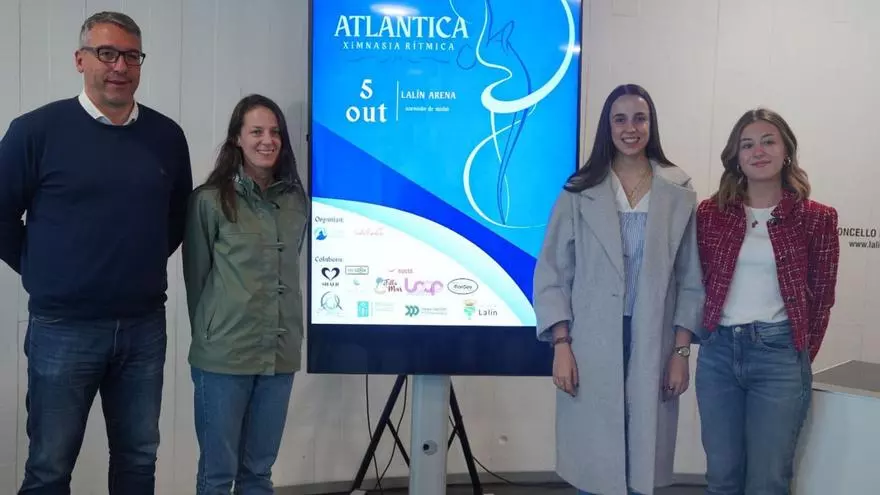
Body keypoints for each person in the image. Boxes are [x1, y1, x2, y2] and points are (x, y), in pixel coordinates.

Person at [0, 10, 192, 494]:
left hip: (143, 327)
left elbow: (176, 219)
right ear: (80, 59)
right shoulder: (35, 132)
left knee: (138, 460)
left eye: (131, 56)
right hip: (62, 328)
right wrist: (42, 270)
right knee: (49, 466)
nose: (119, 66)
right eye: (106, 53)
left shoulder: (167, 137)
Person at [533, 83, 705, 495]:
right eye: (620, 119)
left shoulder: (677, 189)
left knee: (641, 460)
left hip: (654, 337)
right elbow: (553, 270)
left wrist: (681, 353)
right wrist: (561, 345)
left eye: (639, 118)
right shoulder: (580, 190)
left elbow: (691, 279)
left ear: (651, 124)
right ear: (607, 127)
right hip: (590, 339)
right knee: (595, 461)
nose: (631, 128)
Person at [695, 108, 839, 494]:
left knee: (768, 480)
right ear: (736, 156)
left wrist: (797, 351)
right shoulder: (711, 213)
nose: (758, 151)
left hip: (779, 357)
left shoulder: (817, 218)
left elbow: (822, 298)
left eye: (768, 141)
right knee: (721, 476)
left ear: (786, 150)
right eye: (747, 144)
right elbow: (696, 283)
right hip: (718, 355)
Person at [182, 94, 308, 495]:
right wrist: (212, 334)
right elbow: (196, 279)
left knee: (258, 473)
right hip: (224, 357)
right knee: (218, 475)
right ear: (237, 138)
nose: (267, 140)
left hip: (278, 355)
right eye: (256, 131)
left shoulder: (296, 201)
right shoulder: (209, 200)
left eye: (275, 132)